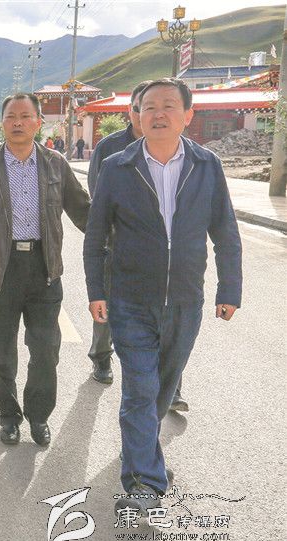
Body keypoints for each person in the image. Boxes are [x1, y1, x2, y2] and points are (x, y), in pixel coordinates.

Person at [83, 78, 242, 513]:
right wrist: (97, 290)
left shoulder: (207, 165)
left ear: (187, 115)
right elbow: (96, 237)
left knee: (161, 390)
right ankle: (143, 484)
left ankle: (143, 454)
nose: (157, 114)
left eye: (169, 105)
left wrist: (230, 288)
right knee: (140, 389)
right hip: (130, 300)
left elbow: (225, 231)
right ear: (137, 115)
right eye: (148, 106)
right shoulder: (118, 166)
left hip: (186, 301)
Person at [0, 93, 90, 447]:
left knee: (46, 350)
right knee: (3, 354)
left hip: (44, 269)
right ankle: (8, 417)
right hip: (1, 271)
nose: (17, 122)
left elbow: (82, 210)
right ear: (2, 122)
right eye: (10, 116)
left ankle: (38, 415)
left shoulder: (55, 164)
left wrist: (114, 240)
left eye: (25, 116)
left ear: (38, 122)